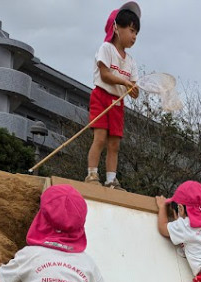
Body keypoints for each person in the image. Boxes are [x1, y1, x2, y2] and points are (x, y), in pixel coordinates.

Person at [84, 2, 140, 190]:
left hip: (117, 102)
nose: (134, 37)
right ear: (117, 28)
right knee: (100, 138)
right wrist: (125, 83)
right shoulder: (106, 49)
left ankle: (111, 181)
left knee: (114, 143)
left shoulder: (131, 61)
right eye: (131, 30)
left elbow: (133, 91)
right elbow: (105, 75)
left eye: (136, 33)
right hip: (101, 96)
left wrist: (134, 90)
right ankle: (92, 174)